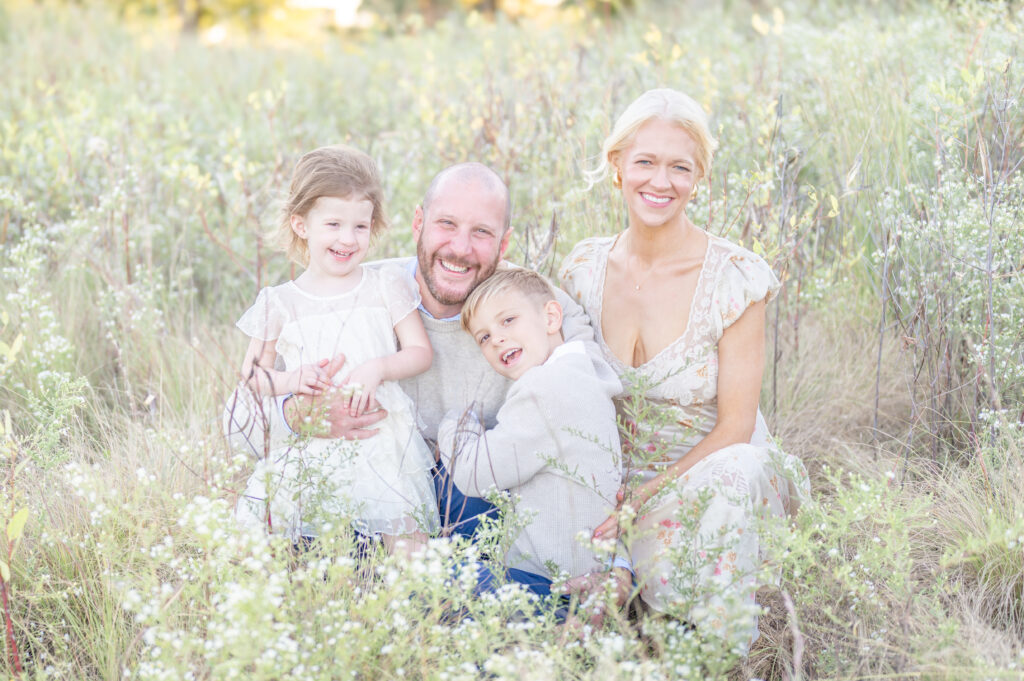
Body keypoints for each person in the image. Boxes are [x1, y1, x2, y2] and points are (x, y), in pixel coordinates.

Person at [224, 161, 603, 550]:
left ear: (504, 244)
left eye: (481, 232)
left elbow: (593, 427)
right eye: (447, 224)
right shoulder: (347, 293)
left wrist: (610, 559)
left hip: (478, 503)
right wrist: (301, 415)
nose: (460, 247)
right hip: (351, 491)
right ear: (418, 223)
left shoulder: (540, 308)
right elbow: (237, 424)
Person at [559, 88, 809, 649]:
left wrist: (640, 500)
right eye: (645, 161)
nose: (660, 181)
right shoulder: (581, 268)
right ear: (616, 165)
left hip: (710, 483)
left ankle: (713, 650)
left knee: (739, 467)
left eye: (680, 167)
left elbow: (734, 429)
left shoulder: (736, 278)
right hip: (611, 493)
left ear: (699, 179)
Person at [232, 144, 438, 556]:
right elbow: (253, 375)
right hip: (313, 447)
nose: (348, 239)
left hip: (381, 439)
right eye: (333, 224)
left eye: (360, 227)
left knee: (405, 547)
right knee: (306, 546)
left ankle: (413, 609)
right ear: (301, 225)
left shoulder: (384, 286)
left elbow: (419, 352)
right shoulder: (280, 301)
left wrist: (378, 367)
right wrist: (293, 380)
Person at [436, 269, 622, 595]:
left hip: (550, 584)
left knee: (429, 573)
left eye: (508, 320)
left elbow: (473, 474)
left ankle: (555, 621)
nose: (496, 339)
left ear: (551, 317)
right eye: (484, 337)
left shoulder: (544, 389)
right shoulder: (585, 368)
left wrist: (454, 425)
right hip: (586, 568)